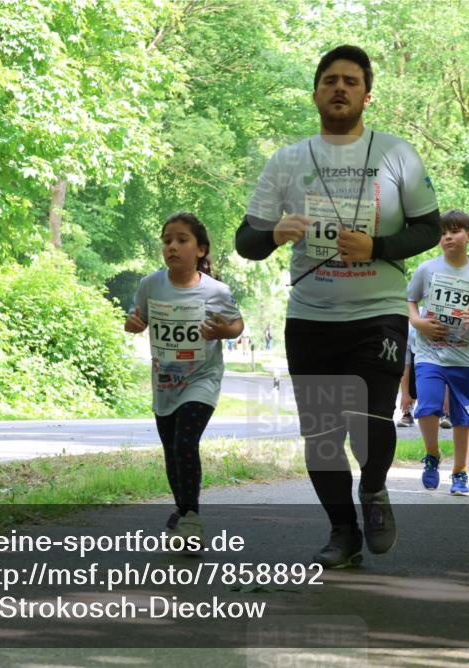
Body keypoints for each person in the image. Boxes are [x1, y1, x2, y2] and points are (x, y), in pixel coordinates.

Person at [235, 45, 441, 568]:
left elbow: (429, 227)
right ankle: (342, 533)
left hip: (379, 312)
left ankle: (373, 489)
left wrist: (377, 247)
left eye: (351, 80)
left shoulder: (397, 154)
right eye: (330, 80)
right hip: (311, 317)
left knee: (369, 418)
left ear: (367, 95)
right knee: (323, 437)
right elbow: (245, 242)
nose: (340, 88)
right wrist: (275, 233)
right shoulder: (287, 160)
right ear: (316, 94)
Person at [125, 212, 244, 543]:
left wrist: (223, 330)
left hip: (202, 379)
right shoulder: (150, 285)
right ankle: (182, 508)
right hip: (165, 383)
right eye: (167, 241)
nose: (172, 247)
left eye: (181, 240)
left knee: (185, 443)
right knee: (171, 450)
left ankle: (191, 518)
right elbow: (137, 319)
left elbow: (237, 324)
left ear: (201, 250)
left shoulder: (217, 291)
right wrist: (133, 324)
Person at [407, 210, 469, 494]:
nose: (448, 236)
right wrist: (420, 322)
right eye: (444, 232)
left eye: (455, 231)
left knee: (463, 417)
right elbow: (410, 301)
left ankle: (460, 472)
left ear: (468, 236)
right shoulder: (426, 269)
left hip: (463, 358)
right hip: (429, 353)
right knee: (427, 408)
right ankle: (432, 454)